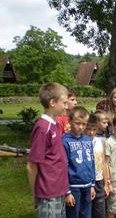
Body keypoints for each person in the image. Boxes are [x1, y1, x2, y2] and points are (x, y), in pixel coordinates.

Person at [26, 82, 69, 218]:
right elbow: (31, 165)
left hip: (59, 190)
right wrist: (34, 194)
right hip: (49, 193)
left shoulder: (55, 124)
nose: (66, 106)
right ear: (52, 102)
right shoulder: (43, 128)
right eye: (64, 102)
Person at [62, 106, 96, 218]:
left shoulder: (88, 140)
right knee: (73, 215)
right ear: (70, 121)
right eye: (77, 123)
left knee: (86, 215)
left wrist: (92, 184)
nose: (80, 127)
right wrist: (67, 192)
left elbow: (92, 162)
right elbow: (62, 168)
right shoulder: (64, 141)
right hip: (73, 186)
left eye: (84, 124)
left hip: (87, 185)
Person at [84, 112, 113, 218]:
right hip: (86, 182)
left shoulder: (100, 142)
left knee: (100, 212)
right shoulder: (82, 141)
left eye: (94, 130)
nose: (91, 133)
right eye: (88, 129)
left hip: (99, 180)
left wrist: (107, 182)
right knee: (87, 211)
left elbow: (104, 163)